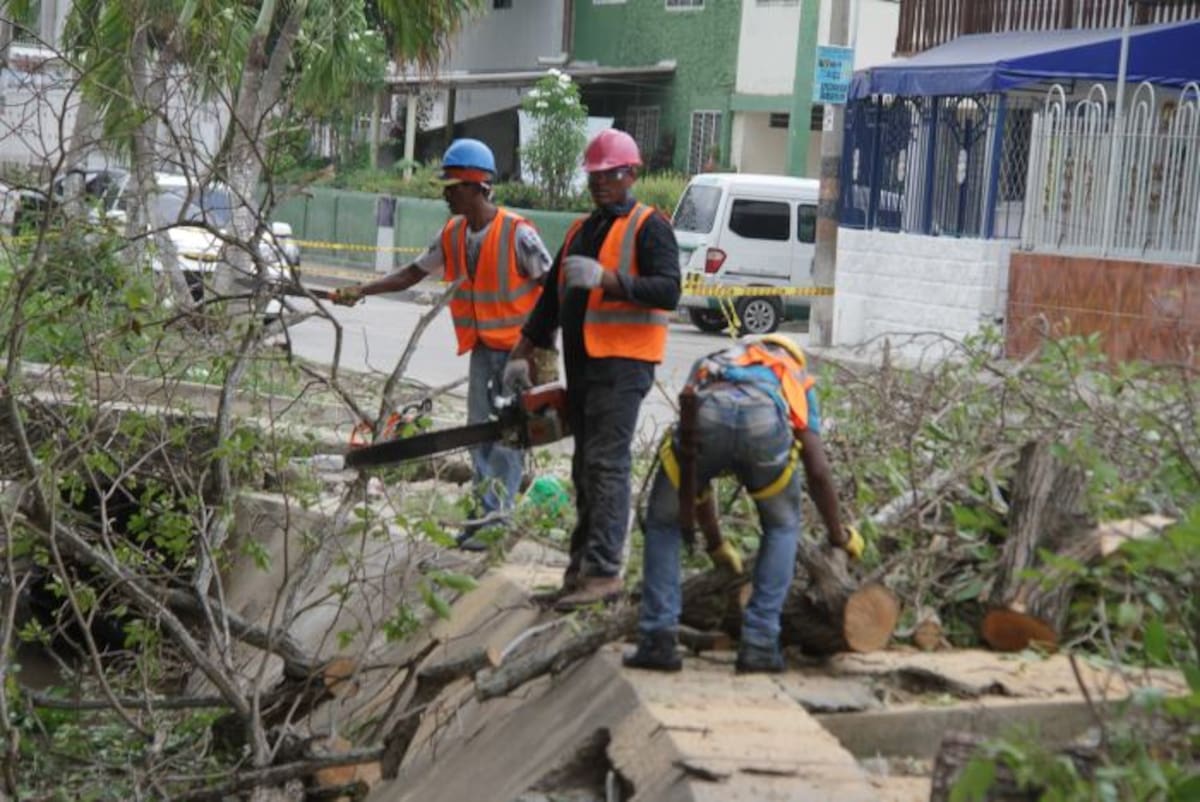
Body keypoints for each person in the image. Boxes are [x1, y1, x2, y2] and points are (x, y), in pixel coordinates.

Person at [332, 138, 553, 549]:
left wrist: (541, 350)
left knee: (508, 437)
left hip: (519, 353)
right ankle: (482, 514)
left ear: (474, 186)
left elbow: (553, 288)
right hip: (483, 350)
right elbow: (411, 274)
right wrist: (361, 289)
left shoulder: (518, 234)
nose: (444, 195)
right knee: (478, 434)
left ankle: (496, 522)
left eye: (451, 187)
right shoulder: (453, 233)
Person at [504, 129, 681, 611]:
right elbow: (550, 299)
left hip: (624, 365)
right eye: (595, 176)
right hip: (584, 366)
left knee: (606, 464)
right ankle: (580, 571)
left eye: (610, 174)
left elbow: (669, 290)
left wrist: (609, 280)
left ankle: (603, 574)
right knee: (585, 466)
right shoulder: (581, 231)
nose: (600, 183)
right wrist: (523, 349)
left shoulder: (650, 227)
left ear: (632, 174)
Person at [623, 334, 865, 674]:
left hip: (707, 415)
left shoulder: (713, 363)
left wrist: (716, 545)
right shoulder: (795, 375)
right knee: (782, 527)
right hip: (764, 425)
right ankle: (760, 644)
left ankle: (657, 640)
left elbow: (693, 477)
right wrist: (839, 535)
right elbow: (818, 469)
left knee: (664, 524)